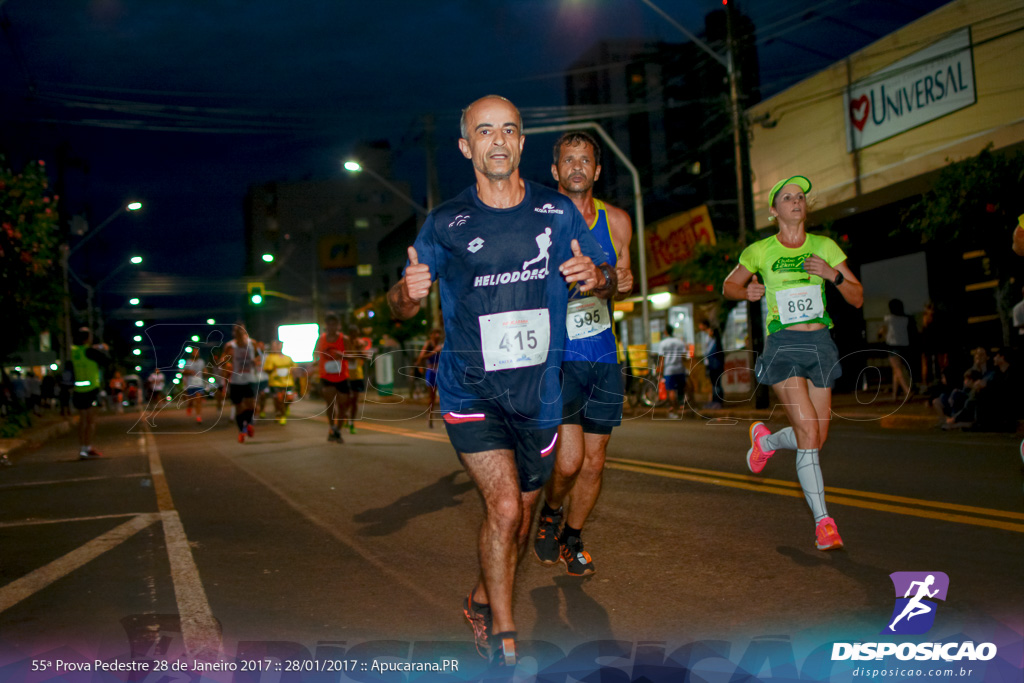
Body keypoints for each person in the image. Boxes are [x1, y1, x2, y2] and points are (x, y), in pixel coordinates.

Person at [386, 95, 611, 667]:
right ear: (467, 147)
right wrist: (406, 293)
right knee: (507, 508)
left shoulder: (558, 214)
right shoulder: (446, 224)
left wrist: (598, 276)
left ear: (520, 143)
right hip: (471, 388)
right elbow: (401, 308)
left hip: (539, 392)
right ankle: (504, 634)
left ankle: (483, 594)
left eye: (508, 129)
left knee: (521, 513)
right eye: (484, 131)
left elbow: (604, 280)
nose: (497, 140)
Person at [723, 174, 863, 551]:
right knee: (807, 433)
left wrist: (832, 275)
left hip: (820, 343)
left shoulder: (825, 247)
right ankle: (824, 523)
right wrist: (747, 290)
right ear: (775, 210)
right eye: (787, 197)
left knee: (816, 437)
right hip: (783, 344)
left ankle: (766, 441)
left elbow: (857, 297)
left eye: (800, 196)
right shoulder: (760, 251)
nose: (796, 201)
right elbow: (729, 285)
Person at [533, 130, 634, 578]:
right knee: (570, 460)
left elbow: (623, 278)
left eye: (585, 160)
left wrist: (619, 281)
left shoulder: (616, 222)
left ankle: (571, 537)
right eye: (567, 160)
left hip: (602, 353)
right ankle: (550, 511)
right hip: (557, 356)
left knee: (595, 460)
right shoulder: (539, 222)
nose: (577, 166)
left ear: (596, 169)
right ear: (555, 172)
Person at [71, 327, 111, 460]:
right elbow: (106, 361)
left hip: (78, 390)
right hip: (91, 389)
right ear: (88, 338)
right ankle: (87, 447)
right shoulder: (91, 351)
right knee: (91, 421)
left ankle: (83, 449)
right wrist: (103, 349)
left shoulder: (74, 351)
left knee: (82, 421)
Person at [222, 323, 261, 443]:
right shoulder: (230, 346)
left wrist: (256, 362)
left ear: (245, 331)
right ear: (234, 333)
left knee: (252, 406)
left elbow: (259, 357)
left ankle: (249, 424)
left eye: (241, 330)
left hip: (249, 379)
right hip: (236, 380)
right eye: (236, 330)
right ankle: (242, 431)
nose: (239, 333)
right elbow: (223, 360)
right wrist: (225, 363)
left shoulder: (252, 343)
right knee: (239, 407)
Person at [315, 312, 349, 443]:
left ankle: (338, 430)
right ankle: (332, 427)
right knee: (330, 405)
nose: (331, 327)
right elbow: (315, 354)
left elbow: (351, 356)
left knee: (343, 406)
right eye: (329, 324)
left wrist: (343, 355)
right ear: (326, 326)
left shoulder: (343, 339)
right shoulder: (321, 339)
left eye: (334, 324)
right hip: (326, 376)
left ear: (338, 326)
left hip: (342, 377)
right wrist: (314, 365)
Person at [880, 298, 914, 401]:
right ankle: (895, 395)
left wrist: (881, 335)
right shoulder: (905, 318)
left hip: (893, 345)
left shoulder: (889, 318)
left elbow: (883, 330)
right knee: (896, 370)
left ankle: (906, 390)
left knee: (897, 369)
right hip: (904, 345)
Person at [654, 325, 689, 419]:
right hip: (680, 368)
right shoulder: (680, 342)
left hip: (669, 370)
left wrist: (660, 371)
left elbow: (662, 359)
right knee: (682, 388)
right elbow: (684, 357)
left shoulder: (663, 343)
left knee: (671, 391)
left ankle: (674, 410)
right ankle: (683, 407)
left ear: (666, 332)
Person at [344, 325, 372, 434]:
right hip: (345, 375)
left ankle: (351, 422)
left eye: (356, 333)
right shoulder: (344, 343)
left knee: (355, 400)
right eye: (352, 333)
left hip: (357, 376)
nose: (354, 336)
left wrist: (359, 350)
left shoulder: (360, 343)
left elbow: (366, 357)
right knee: (346, 400)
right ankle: (345, 415)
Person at [415, 328, 444, 428]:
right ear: (431, 335)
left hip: (440, 371)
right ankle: (430, 416)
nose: (437, 336)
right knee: (431, 397)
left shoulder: (442, 345)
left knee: (444, 396)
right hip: (431, 371)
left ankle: (446, 418)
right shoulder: (428, 344)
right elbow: (421, 357)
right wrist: (433, 352)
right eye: (435, 333)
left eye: (438, 333)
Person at [262, 339, 295, 425]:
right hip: (275, 383)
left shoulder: (288, 358)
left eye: (277, 345)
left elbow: (294, 367)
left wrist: (291, 371)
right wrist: (273, 370)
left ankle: (283, 409)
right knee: (278, 400)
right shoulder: (270, 358)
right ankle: (281, 415)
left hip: (288, 382)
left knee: (289, 399)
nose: (275, 347)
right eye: (274, 345)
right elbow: (266, 369)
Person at [698, 319, 725, 409]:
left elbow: (712, 354)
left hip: (715, 366)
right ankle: (714, 401)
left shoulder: (715, 343)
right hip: (712, 365)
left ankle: (717, 402)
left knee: (716, 384)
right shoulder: (712, 341)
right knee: (714, 384)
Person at [182, 347, 207, 424]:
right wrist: (189, 372)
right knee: (191, 401)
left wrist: (206, 372)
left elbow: (205, 370)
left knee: (198, 399)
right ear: (192, 354)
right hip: (191, 384)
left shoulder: (201, 362)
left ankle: (198, 416)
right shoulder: (188, 362)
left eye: (197, 352)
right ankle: (189, 407)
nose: (196, 354)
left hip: (199, 383)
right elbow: (183, 372)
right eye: (194, 352)